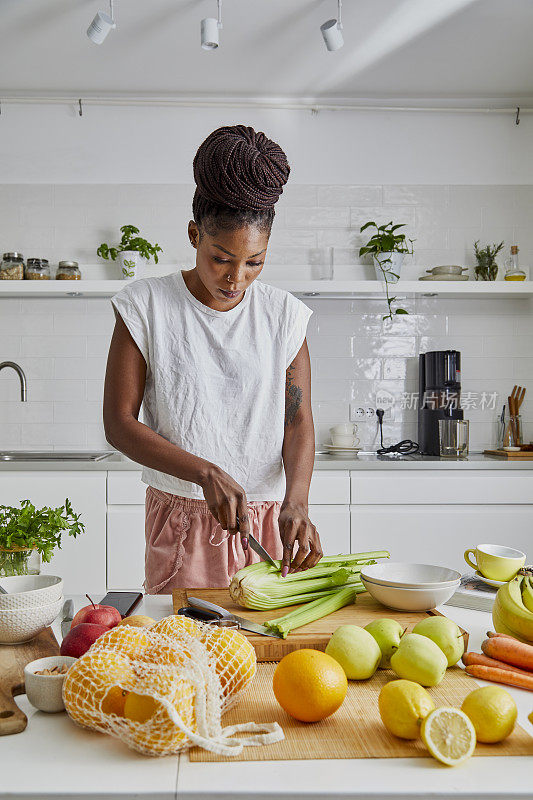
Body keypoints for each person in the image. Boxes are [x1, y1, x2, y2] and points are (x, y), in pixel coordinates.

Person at [103, 124, 322, 593]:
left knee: (265, 653)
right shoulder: (146, 306)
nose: (236, 278)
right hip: (183, 517)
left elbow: (298, 420)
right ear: (193, 233)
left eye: (255, 262)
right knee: (184, 651)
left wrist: (297, 501)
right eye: (222, 258)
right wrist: (204, 472)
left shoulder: (284, 315)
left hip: (268, 521)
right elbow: (119, 423)